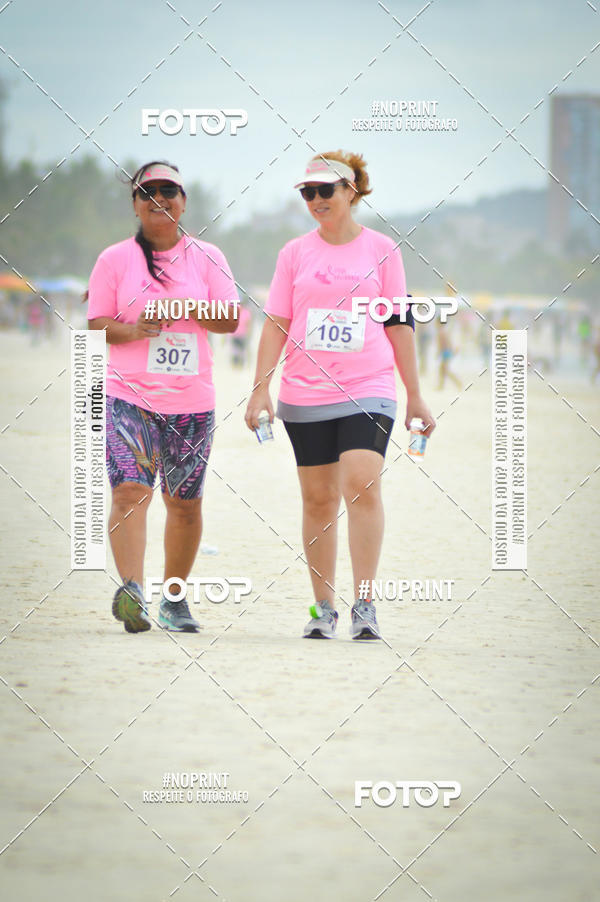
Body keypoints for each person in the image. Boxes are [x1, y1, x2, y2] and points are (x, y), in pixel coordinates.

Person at [245, 152, 435, 640]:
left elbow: (399, 324)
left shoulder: (382, 250)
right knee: (318, 499)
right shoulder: (294, 254)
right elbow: (277, 325)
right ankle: (323, 610)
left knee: (362, 482)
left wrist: (415, 395)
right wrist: (259, 390)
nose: (315, 200)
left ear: (352, 191)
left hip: (368, 388)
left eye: (324, 190)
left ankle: (365, 605)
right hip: (304, 392)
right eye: (307, 192)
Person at [87, 161, 239, 633]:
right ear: (135, 204)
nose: (159, 198)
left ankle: (174, 599)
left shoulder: (208, 256)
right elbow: (96, 324)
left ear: (184, 200)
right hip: (126, 395)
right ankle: (133, 589)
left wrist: (193, 307)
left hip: (190, 401)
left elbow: (231, 319)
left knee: (184, 503)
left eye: (168, 190)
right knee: (130, 491)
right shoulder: (114, 259)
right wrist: (134, 329)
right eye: (147, 191)